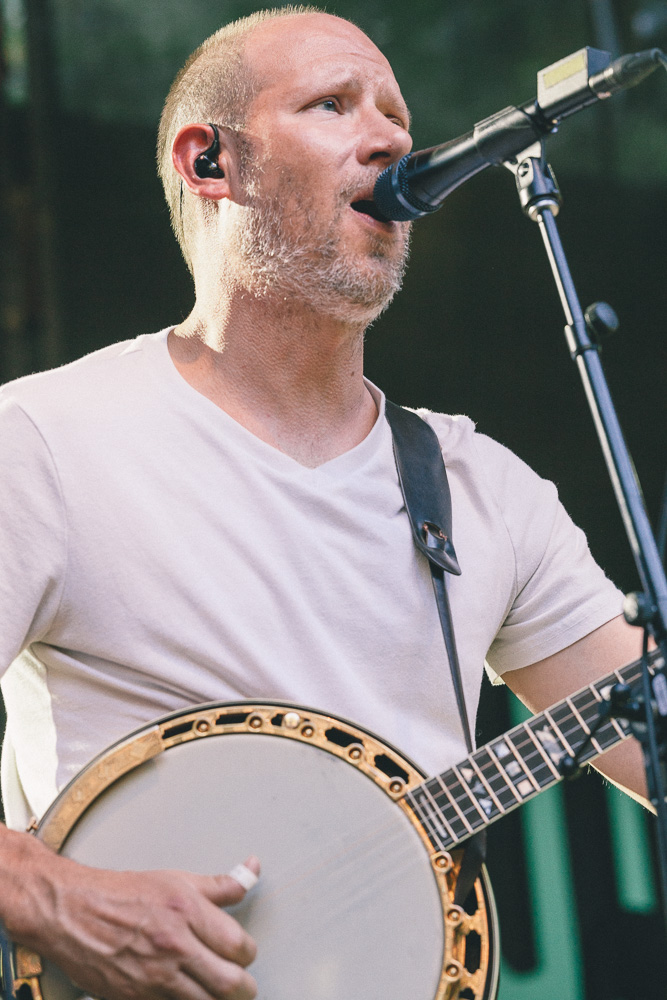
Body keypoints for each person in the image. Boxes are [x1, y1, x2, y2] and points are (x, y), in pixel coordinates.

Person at [0, 7, 652, 1000]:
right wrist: (54, 897)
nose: (392, 137)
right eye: (334, 103)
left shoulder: (481, 489)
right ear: (210, 160)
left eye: (395, 111)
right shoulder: (44, 442)